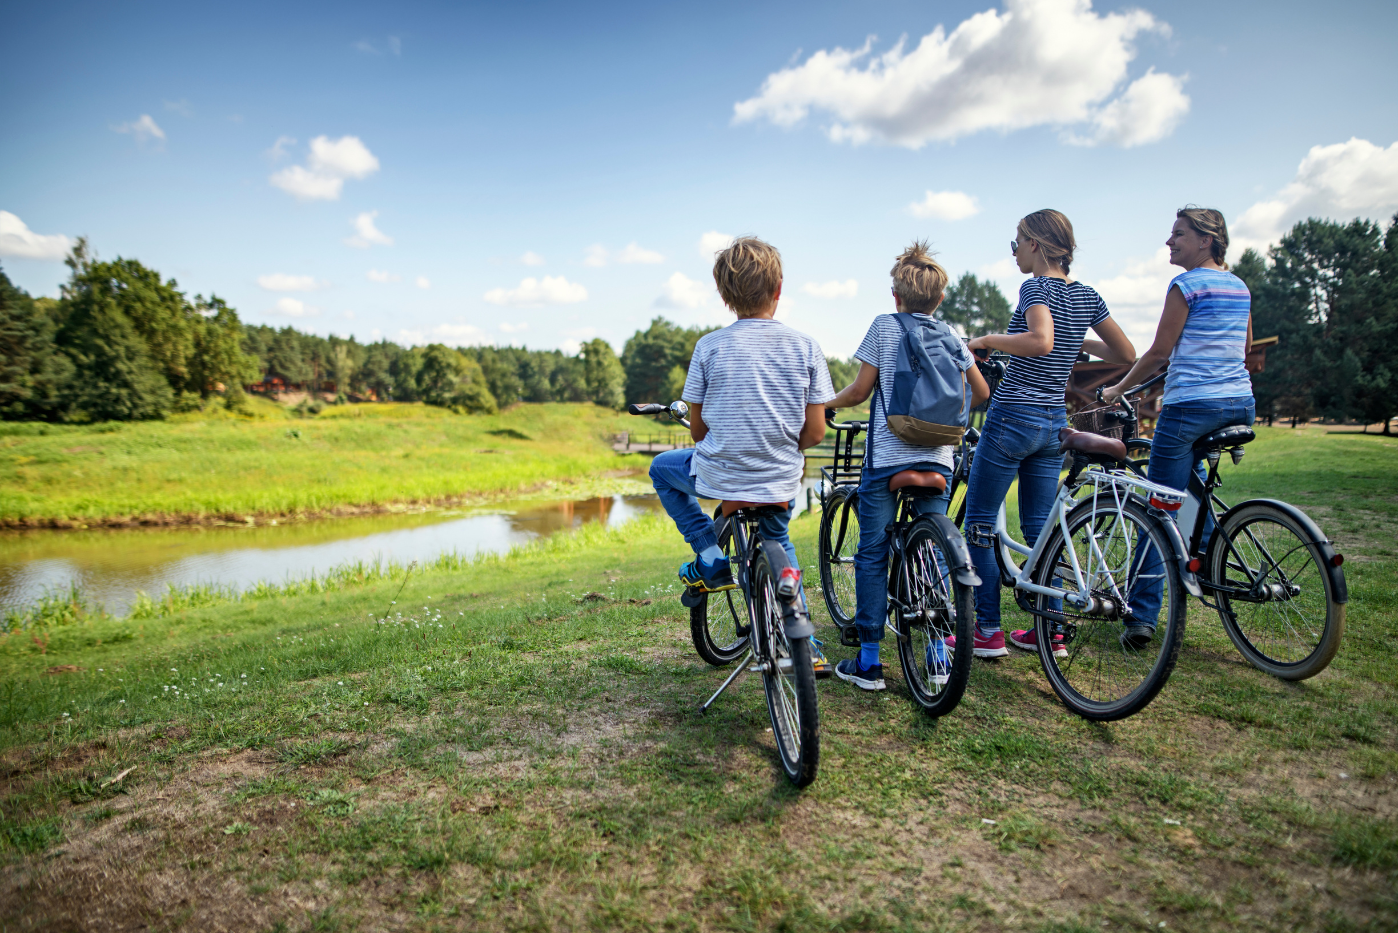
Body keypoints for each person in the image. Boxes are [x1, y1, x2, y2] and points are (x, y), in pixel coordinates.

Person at [647, 237, 835, 660]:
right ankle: (805, 641)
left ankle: (710, 553)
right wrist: (783, 445)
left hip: (720, 475)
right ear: (779, 289)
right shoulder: (806, 346)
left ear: (724, 296)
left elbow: (697, 431)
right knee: (777, 538)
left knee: (661, 469)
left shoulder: (709, 347)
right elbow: (816, 432)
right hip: (778, 476)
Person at [960, 209, 1137, 658]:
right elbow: (1125, 351)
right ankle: (1049, 630)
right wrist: (1075, 338)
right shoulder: (1088, 295)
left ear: (1036, 244)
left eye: (1016, 241)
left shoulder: (1035, 286)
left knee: (979, 523)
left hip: (1014, 414)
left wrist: (986, 340)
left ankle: (987, 631)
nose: (1015, 250)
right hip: (1054, 422)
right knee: (1041, 527)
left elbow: (1039, 341)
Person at [824, 241, 991, 691]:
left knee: (872, 553)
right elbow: (981, 392)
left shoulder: (883, 326)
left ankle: (869, 661)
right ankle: (938, 653)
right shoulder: (953, 334)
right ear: (939, 299)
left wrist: (826, 404)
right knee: (935, 551)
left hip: (888, 460)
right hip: (939, 457)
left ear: (895, 295)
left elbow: (860, 392)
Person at [1102, 206, 1254, 646]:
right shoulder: (1239, 286)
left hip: (1191, 409)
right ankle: (1207, 568)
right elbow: (1242, 347)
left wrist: (1118, 391)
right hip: (1239, 403)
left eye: (1178, 234)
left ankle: (1141, 616)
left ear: (1206, 240)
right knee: (1193, 490)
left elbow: (1157, 354)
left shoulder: (1185, 284)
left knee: (1158, 509)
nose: (1170, 242)